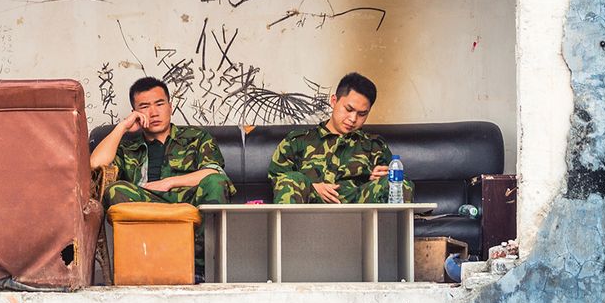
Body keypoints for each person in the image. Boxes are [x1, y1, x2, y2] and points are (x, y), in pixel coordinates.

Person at [268, 71, 413, 204]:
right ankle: (290, 233)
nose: (353, 119)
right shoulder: (298, 141)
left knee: (399, 183)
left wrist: (383, 176)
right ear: (333, 101)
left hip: (358, 209)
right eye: (348, 109)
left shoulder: (374, 146)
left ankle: (389, 233)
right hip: (310, 205)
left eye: (362, 114)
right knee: (292, 180)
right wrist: (312, 186)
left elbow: (396, 184)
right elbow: (278, 179)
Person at [90, 77, 234, 207]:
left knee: (216, 182)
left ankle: (202, 237)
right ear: (135, 112)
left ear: (170, 107)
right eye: (145, 107)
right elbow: (95, 164)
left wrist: (168, 182)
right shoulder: (127, 148)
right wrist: (122, 127)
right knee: (115, 190)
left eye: (159, 104)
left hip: (189, 205)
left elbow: (213, 172)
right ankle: (144, 236)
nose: (153, 113)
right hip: (145, 206)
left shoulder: (196, 137)